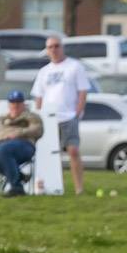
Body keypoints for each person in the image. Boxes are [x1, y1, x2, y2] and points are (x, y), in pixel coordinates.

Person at [32, 36, 91, 195]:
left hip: (68, 116)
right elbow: (39, 96)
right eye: (50, 47)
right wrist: (39, 116)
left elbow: (83, 92)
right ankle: (47, 187)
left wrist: (77, 113)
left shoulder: (74, 66)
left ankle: (79, 188)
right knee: (48, 154)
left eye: (57, 46)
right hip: (48, 119)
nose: (54, 50)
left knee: (73, 151)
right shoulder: (44, 71)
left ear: (62, 47)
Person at [0, 90, 44, 197]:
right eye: (13, 103)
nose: (15, 105)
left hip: (24, 146)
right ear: (9, 104)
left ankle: (16, 187)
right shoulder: (2, 119)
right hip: (1, 145)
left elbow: (38, 130)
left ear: (23, 104)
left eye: (18, 103)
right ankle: (19, 178)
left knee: (4, 149)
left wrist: (19, 133)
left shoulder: (31, 117)